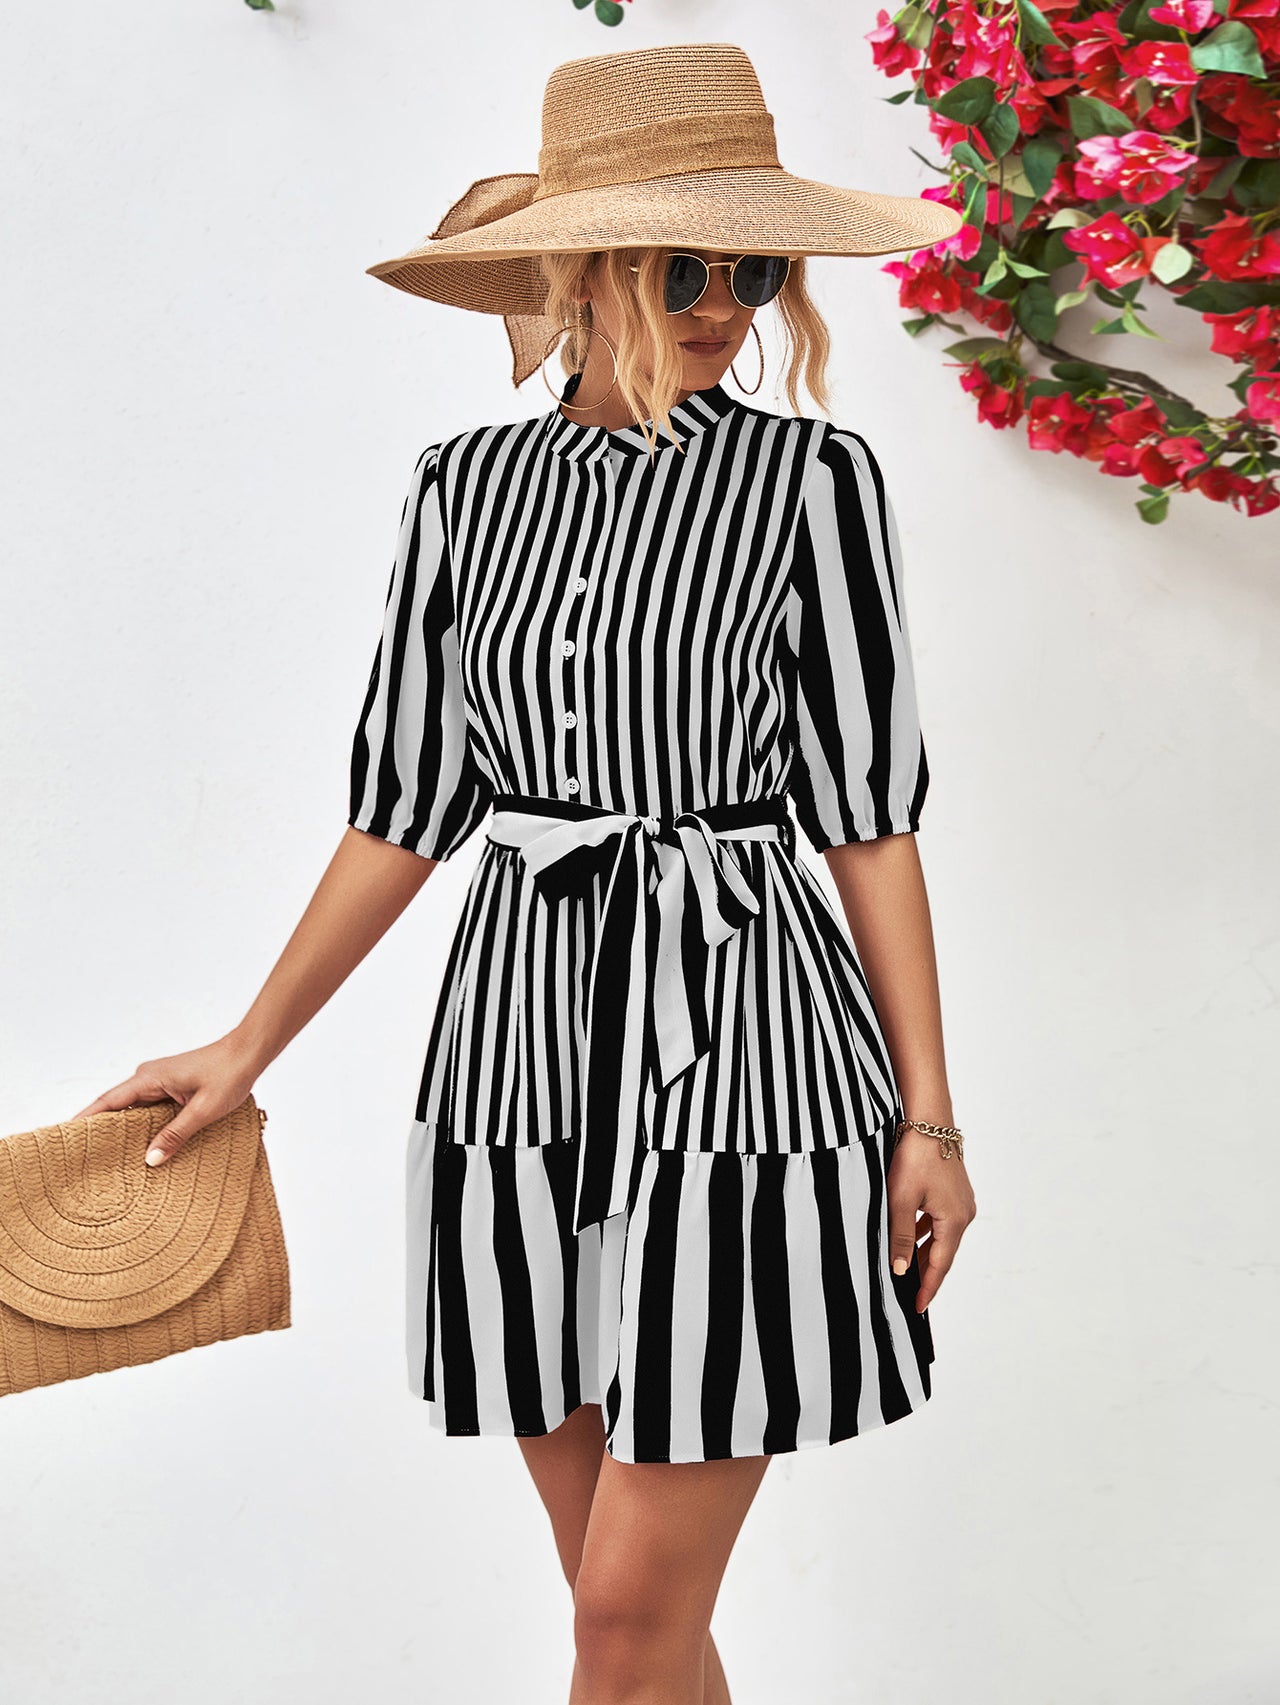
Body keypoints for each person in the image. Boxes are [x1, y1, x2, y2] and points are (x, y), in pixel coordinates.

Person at [71, 41, 978, 1705]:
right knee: (626, 1622)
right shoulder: (465, 491)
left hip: (744, 1040)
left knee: (625, 1623)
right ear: (584, 266)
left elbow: (868, 814)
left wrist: (931, 1117)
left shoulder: (814, 484)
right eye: (686, 266)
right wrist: (247, 1042)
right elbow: (406, 806)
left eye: (755, 270)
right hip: (519, 1043)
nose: (727, 307)